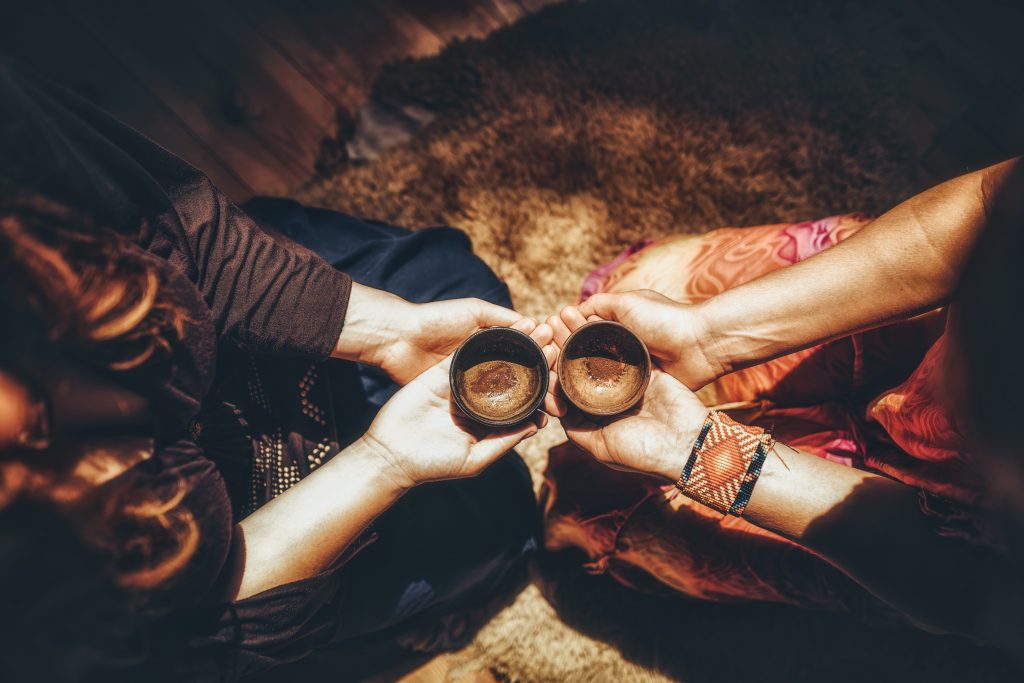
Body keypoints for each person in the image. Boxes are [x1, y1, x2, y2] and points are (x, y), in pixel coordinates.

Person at [0, 62, 558, 682]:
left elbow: (182, 224)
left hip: (234, 357)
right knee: (508, 523)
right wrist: (384, 463)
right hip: (250, 545)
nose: (127, 460)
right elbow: (207, 644)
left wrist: (390, 332)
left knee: (465, 283)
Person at [544, 158, 1024, 656]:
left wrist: (701, 452)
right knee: (628, 297)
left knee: (606, 504)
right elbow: (987, 206)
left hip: (935, 526)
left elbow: (974, 592)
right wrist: (707, 335)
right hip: (917, 314)